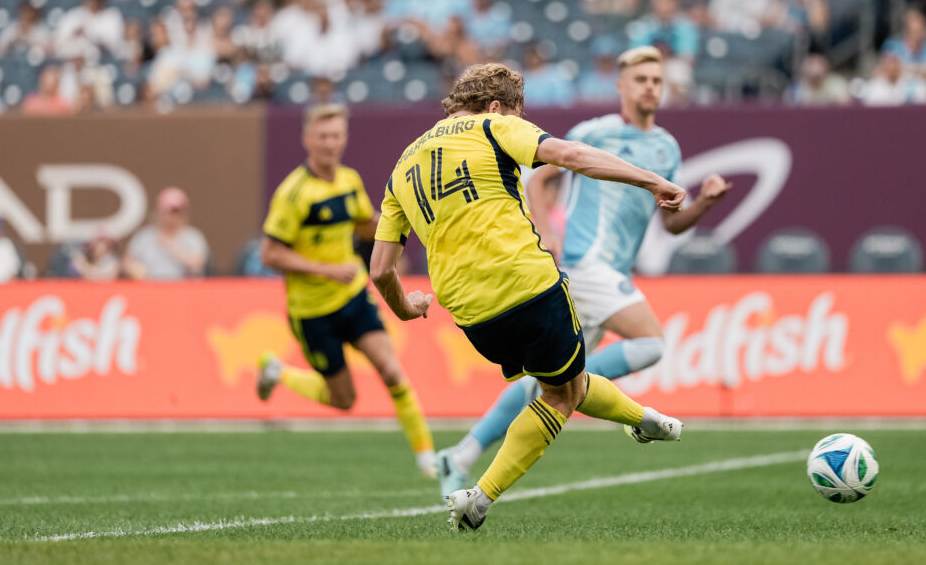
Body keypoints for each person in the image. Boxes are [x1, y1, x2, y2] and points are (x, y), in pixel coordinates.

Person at [368, 62, 688, 531]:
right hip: (528, 284)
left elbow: (380, 270)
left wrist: (409, 307)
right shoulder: (494, 125)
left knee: (562, 384)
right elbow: (572, 155)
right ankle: (479, 497)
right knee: (561, 396)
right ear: (499, 106)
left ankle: (647, 420)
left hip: (470, 313)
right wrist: (652, 180)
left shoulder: (402, 166)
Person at [433, 47, 729, 499]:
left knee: (550, 383)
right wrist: (547, 231)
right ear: (622, 86)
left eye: (656, 80)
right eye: (641, 79)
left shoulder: (666, 146)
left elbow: (670, 221)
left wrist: (704, 202)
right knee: (649, 343)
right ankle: (611, 402)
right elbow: (542, 179)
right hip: (586, 265)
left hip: (610, 271)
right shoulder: (594, 132)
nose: (650, 86)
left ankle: (462, 453)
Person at [256, 104, 436, 478]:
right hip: (312, 312)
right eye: (322, 136)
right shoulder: (293, 193)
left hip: (353, 296)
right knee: (344, 400)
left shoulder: (349, 180)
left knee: (391, 371)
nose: (329, 143)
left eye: (336, 135)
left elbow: (363, 226)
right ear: (307, 139)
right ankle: (277, 371)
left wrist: (408, 222)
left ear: (345, 138)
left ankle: (428, 458)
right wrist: (326, 269)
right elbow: (270, 253)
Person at [123, 187, 210, 280]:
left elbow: (197, 264)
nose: (173, 217)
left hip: (183, 290)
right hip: (149, 288)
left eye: (177, 211)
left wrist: (171, 247)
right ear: (159, 211)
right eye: (169, 211)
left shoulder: (193, 236)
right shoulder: (144, 236)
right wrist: (136, 270)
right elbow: (126, 263)